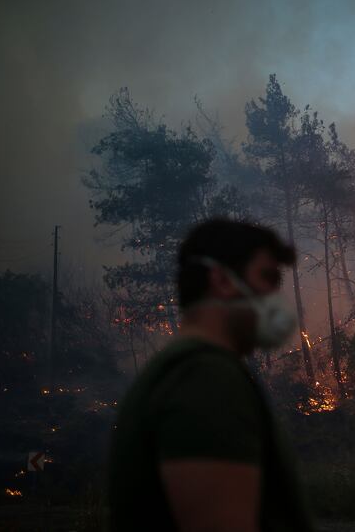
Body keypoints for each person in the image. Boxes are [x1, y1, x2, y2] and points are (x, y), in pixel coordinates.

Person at [107, 218, 313, 532]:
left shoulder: (182, 371)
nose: (275, 294)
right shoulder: (205, 380)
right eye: (266, 277)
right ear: (222, 281)